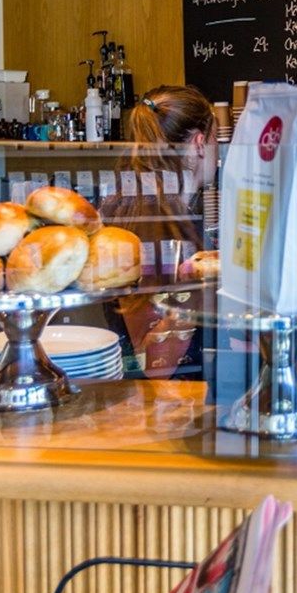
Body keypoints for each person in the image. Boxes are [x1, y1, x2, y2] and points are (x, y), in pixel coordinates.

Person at [95, 84, 217, 377]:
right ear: (200, 143)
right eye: (216, 140)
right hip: (161, 403)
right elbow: (152, 361)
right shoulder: (152, 219)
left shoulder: (141, 205)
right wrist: (201, 291)